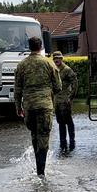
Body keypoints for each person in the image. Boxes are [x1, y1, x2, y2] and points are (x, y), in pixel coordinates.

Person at [14, 36, 62, 176]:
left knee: (34, 135)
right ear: (41, 47)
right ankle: (42, 171)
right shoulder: (49, 64)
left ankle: (38, 168)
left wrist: (18, 107)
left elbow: (17, 89)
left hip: (29, 106)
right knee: (44, 136)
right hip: (45, 105)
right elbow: (58, 87)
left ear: (29, 47)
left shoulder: (22, 65)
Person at [52, 51, 78, 151]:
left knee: (68, 121)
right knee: (60, 122)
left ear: (62, 59)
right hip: (57, 101)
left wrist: (71, 97)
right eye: (55, 58)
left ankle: (72, 141)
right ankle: (62, 142)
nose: (56, 60)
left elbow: (75, 83)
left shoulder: (67, 70)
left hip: (65, 100)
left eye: (58, 58)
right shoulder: (53, 70)